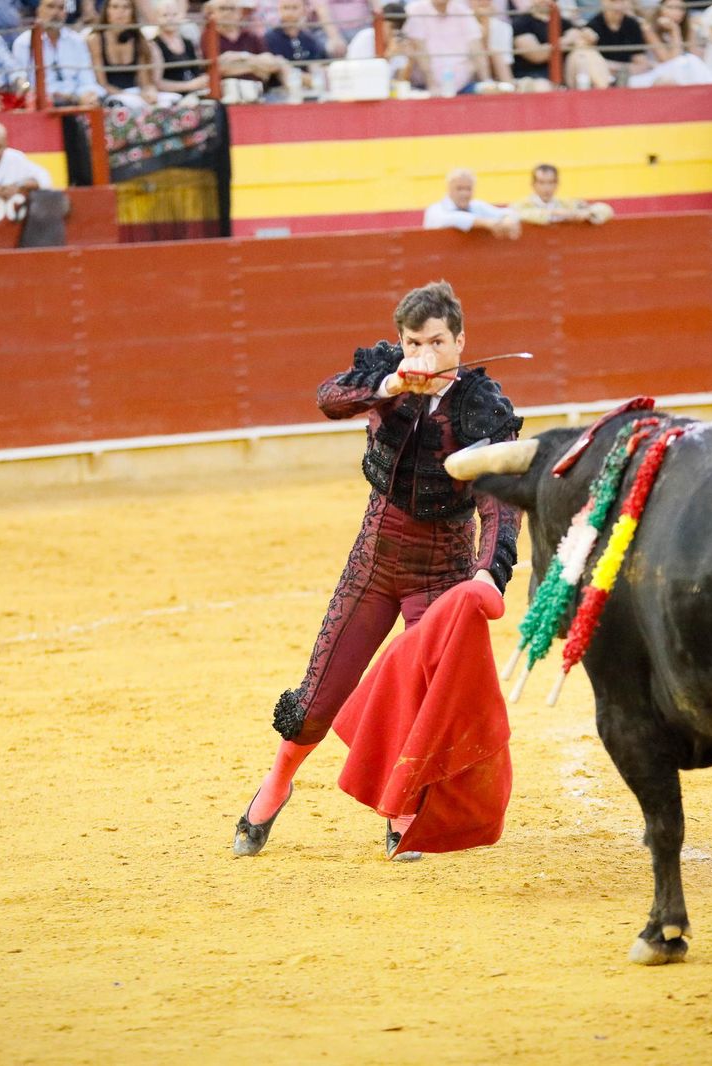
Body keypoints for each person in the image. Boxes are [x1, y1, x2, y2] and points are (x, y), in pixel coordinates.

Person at [231, 280, 523, 861]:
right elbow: (328, 397)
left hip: (443, 569)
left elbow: (499, 498)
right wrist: (390, 383)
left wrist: (492, 571)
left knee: (418, 702)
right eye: (414, 343)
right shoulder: (386, 374)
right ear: (401, 341)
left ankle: (404, 809)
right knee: (319, 696)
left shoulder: (481, 406)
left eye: (438, 343)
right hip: (376, 557)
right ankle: (276, 784)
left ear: (461, 341)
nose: (426, 356)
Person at [14, 0, 105, 105]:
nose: (55, 13)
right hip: (45, 102)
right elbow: (23, 82)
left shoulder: (77, 41)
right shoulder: (24, 43)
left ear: (66, 13)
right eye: (50, 7)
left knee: (99, 98)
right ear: (38, 10)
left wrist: (85, 95)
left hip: (77, 101)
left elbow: (87, 79)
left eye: (61, 8)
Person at [204, 0, 287, 95]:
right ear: (212, 14)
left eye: (232, 8)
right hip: (225, 95)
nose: (228, 12)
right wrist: (257, 66)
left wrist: (242, 56)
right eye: (222, 8)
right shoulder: (208, 37)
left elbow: (271, 64)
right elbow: (218, 69)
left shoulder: (251, 36)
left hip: (260, 94)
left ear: (240, 13)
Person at [403, 0, 483, 96]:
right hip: (427, 89)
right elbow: (419, 49)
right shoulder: (415, 10)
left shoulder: (462, 10)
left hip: (465, 87)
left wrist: (485, 80)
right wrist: (432, 85)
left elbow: (477, 49)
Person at [423, 167, 520, 238]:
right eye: (459, 189)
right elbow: (450, 219)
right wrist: (487, 223)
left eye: (468, 189)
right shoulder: (435, 209)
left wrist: (507, 219)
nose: (464, 193)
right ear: (448, 189)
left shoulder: (477, 206)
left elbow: (508, 212)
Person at [89, 0, 156, 98]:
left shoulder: (139, 39)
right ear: (106, 10)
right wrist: (127, 96)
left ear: (132, 12)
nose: (120, 12)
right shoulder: (96, 39)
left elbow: (145, 82)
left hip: (135, 94)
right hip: (108, 96)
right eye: (115, 7)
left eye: (126, 7)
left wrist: (150, 92)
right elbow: (101, 83)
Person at [511, 162, 613, 225]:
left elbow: (606, 210)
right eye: (541, 182)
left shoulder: (567, 204)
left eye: (551, 182)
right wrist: (556, 213)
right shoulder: (521, 205)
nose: (546, 188)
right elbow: (516, 215)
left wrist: (589, 214)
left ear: (557, 184)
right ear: (533, 184)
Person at [148, 0, 209, 93]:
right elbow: (156, 83)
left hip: (196, 94)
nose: (170, 19)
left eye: (174, 14)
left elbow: (197, 71)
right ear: (156, 18)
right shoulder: (154, 45)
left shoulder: (188, 42)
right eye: (165, 15)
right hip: (171, 97)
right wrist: (189, 86)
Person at [472, 0, 514, 84]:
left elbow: (505, 63)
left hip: (497, 79)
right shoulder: (461, 25)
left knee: (496, 53)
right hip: (469, 77)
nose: (482, 2)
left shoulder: (504, 27)